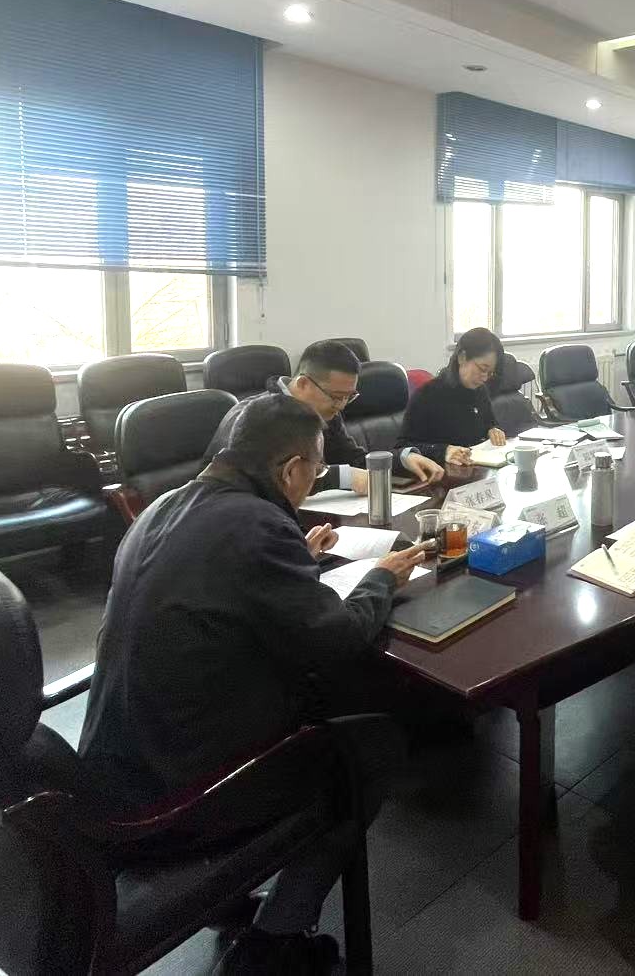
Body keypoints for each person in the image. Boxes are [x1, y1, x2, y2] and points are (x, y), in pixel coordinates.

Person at [80, 393, 428, 974]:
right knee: (374, 746)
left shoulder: (164, 505)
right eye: (315, 469)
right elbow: (339, 642)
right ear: (290, 469)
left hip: (117, 768)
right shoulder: (256, 525)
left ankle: (227, 905)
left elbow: (218, 585)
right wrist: (381, 579)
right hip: (178, 797)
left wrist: (295, 556)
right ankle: (275, 940)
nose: (312, 481)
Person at [205, 339, 443, 490]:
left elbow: (352, 460)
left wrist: (402, 459)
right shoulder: (253, 417)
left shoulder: (324, 409)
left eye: (348, 397)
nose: (341, 405)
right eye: (336, 396)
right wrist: (343, 477)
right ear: (303, 383)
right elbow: (264, 480)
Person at [397, 327, 508, 466]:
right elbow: (403, 448)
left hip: (475, 469)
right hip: (442, 473)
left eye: (490, 373)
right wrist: (444, 451)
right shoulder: (427, 395)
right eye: (482, 369)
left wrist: (493, 430)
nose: (485, 378)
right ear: (462, 357)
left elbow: (489, 423)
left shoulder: (480, 391)